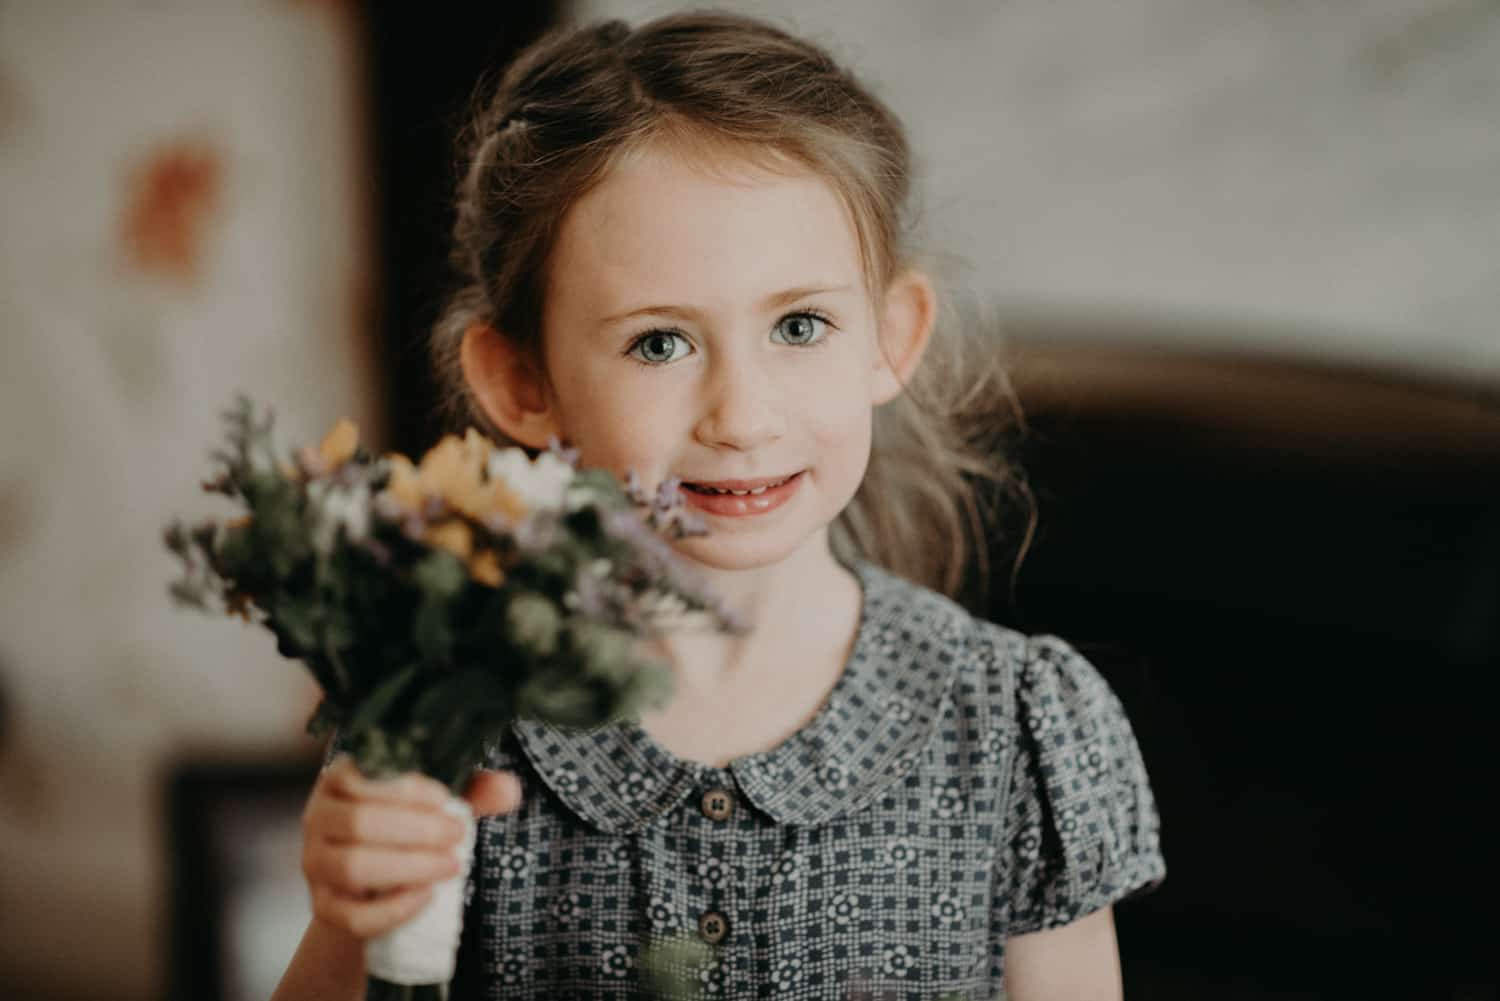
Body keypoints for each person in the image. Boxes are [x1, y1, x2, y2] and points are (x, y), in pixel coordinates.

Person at [271, 11, 1164, 1000]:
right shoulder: (446, 714)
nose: (741, 415)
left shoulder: (1016, 730)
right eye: (661, 341)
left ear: (891, 336)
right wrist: (351, 919)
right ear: (523, 380)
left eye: (800, 323)